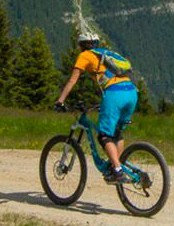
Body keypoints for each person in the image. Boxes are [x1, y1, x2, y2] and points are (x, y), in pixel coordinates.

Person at [54, 30, 138, 182]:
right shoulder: (107, 53)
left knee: (104, 135)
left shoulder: (85, 55)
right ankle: (115, 166)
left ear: (81, 46)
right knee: (117, 134)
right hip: (132, 92)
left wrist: (60, 101)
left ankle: (117, 170)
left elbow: (73, 80)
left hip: (114, 94)